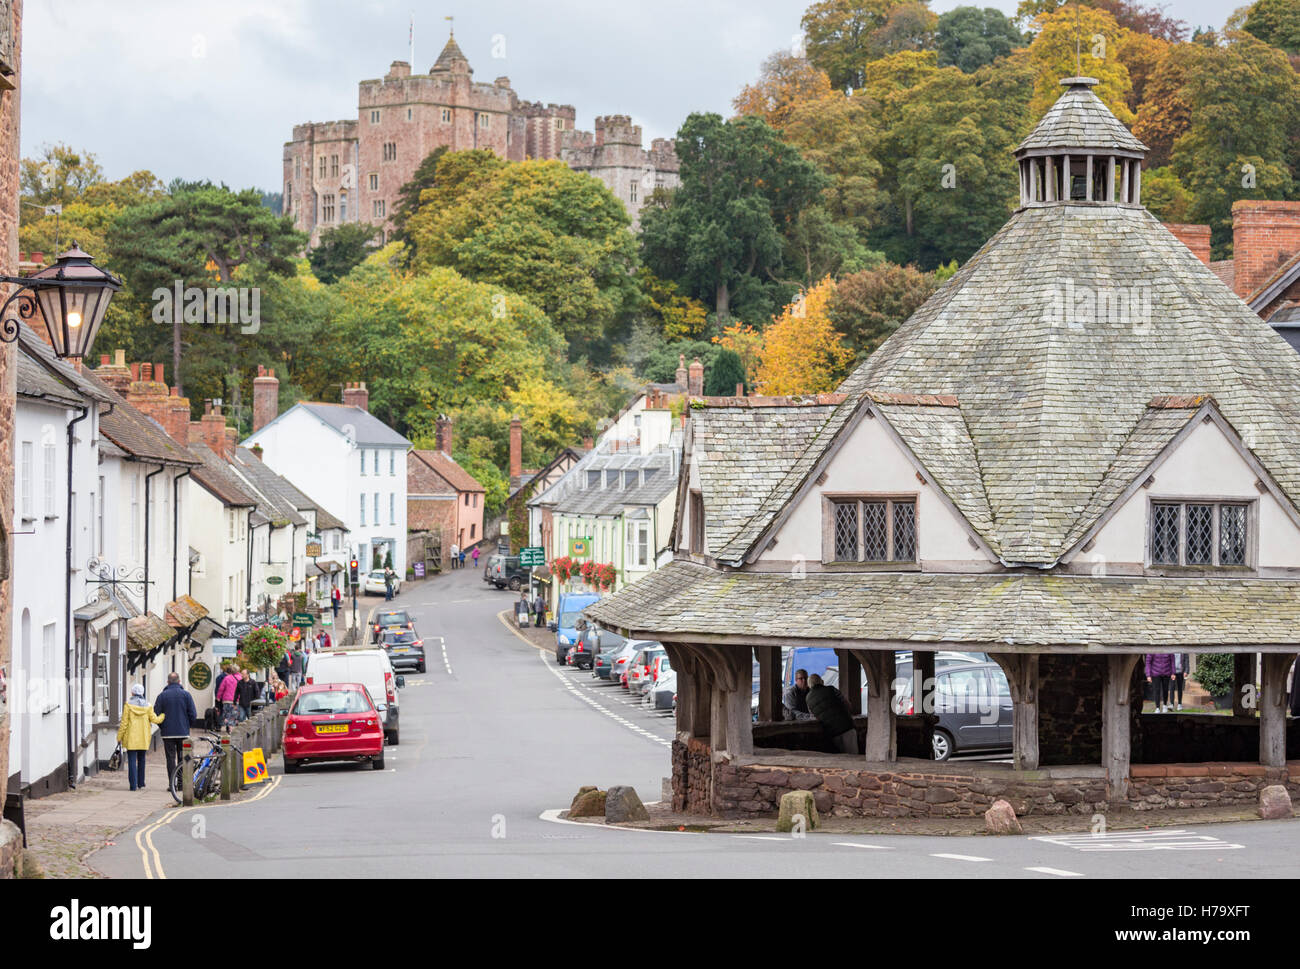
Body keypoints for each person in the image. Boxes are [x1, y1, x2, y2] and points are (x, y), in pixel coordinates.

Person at [118, 684, 164, 791]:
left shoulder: (128, 705)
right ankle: (141, 783)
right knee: (142, 760)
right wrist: (163, 716)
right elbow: (155, 720)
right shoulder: (148, 706)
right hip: (143, 737)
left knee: (132, 761)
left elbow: (124, 723)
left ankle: (133, 785)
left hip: (131, 738)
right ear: (142, 693)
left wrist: (119, 736)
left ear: (133, 693)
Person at [154, 672, 198, 784]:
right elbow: (193, 714)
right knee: (183, 758)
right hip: (183, 732)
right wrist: (187, 725)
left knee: (170, 759)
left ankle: (172, 783)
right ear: (179, 682)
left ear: (168, 682)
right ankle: (181, 784)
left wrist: (163, 726)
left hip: (168, 733)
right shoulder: (186, 695)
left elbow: (156, 714)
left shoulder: (162, 696)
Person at [806, 673, 858, 754]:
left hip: (832, 732)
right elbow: (847, 705)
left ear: (809, 685)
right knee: (854, 756)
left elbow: (813, 717)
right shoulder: (831, 689)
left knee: (841, 759)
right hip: (846, 726)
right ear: (821, 681)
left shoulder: (808, 698)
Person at [215, 665, 240, 733]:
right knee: (234, 715)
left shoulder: (227, 678)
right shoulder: (240, 678)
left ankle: (230, 729)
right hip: (236, 700)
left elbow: (221, 689)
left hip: (227, 700)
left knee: (227, 715)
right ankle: (232, 729)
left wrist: (218, 697)